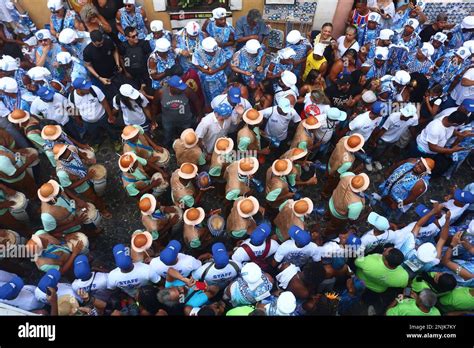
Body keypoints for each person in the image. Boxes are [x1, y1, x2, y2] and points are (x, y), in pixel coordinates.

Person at [68, 78, 119, 151]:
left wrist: (110, 116)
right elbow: (73, 110)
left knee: (111, 130)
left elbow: (104, 103)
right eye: (85, 88)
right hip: (88, 122)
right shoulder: (72, 97)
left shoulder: (94, 90)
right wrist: (78, 120)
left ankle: (115, 141)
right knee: (93, 134)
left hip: (102, 116)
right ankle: (97, 142)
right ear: (78, 89)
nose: (88, 88)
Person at [413, 110, 469, 175]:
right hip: (422, 151)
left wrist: (459, 134)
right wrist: (451, 150)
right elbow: (432, 147)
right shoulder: (435, 128)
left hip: (432, 152)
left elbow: (450, 129)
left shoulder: (448, 120)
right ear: (455, 124)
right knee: (416, 166)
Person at [325, 173, 370, 238]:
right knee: (333, 226)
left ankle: (326, 217)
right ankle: (326, 234)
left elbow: (340, 176)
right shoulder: (356, 204)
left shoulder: (348, 175)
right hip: (338, 216)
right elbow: (351, 218)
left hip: (332, 201)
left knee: (328, 213)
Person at [83, 30, 122, 102]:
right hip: (104, 78)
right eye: (98, 44)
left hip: (115, 72)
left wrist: (118, 64)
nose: (101, 45)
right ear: (92, 41)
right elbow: (88, 65)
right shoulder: (87, 51)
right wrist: (99, 78)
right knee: (115, 98)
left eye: (102, 43)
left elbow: (115, 51)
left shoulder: (107, 41)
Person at [192, 37, 229, 106]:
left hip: (219, 77)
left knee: (221, 94)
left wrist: (216, 70)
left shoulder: (219, 50)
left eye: (214, 51)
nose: (214, 53)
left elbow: (226, 63)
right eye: (211, 52)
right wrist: (203, 70)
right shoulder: (197, 52)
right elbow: (196, 64)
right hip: (205, 78)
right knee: (207, 94)